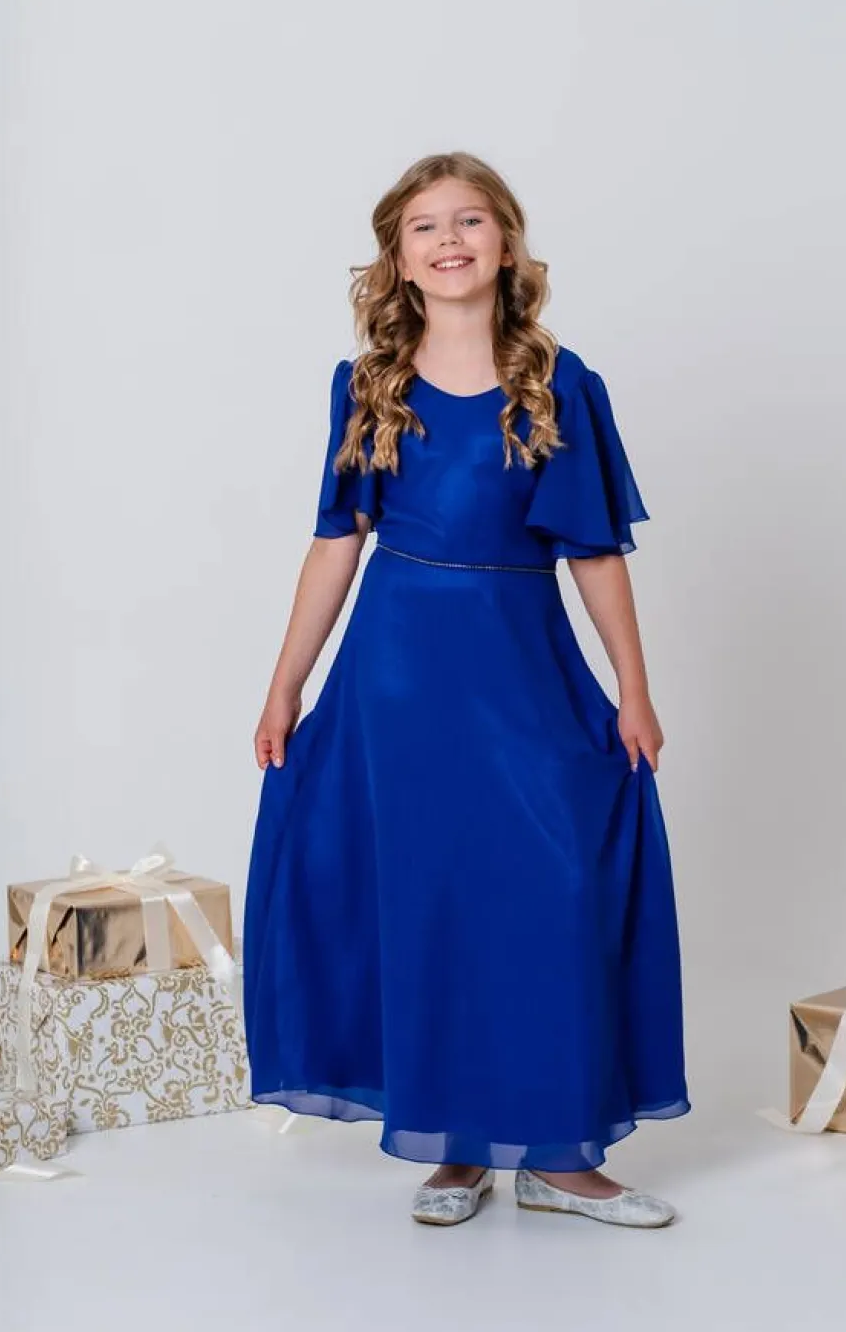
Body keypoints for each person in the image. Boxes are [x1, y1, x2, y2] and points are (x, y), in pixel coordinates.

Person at [242, 151, 691, 1228]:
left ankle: (558, 1154)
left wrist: (633, 687)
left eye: (471, 220)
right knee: (429, 901)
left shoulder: (559, 381)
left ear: (506, 242)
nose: (450, 240)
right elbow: (335, 544)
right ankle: (453, 1143)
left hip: (520, 665)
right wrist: (283, 688)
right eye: (426, 226)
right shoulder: (368, 385)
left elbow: (595, 551)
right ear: (398, 258)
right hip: (396, 683)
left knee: (549, 885)